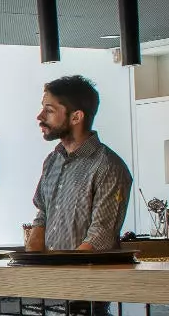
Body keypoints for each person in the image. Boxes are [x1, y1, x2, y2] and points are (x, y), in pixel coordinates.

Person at [28, 75, 133, 252]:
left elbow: (101, 235)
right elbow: (42, 216)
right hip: (50, 276)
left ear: (76, 117)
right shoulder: (52, 161)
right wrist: (31, 264)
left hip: (87, 276)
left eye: (50, 110)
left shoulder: (108, 167)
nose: (40, 116)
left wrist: (68, 272)